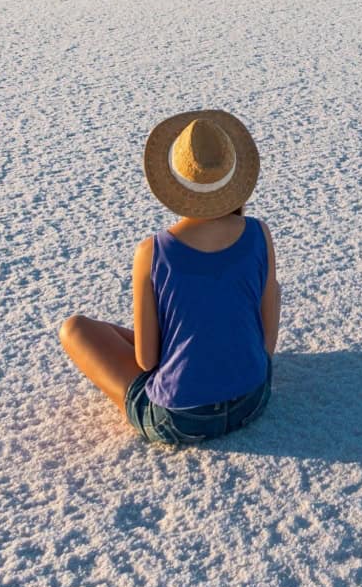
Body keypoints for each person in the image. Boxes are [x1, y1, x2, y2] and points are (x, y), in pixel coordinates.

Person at [58, 109, 279, 446]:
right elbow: (268, 343)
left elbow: (147, 361)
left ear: (175, 182)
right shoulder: (259, 234)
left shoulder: (154, 251)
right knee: (249, 298)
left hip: (180, 419)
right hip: (253, 397)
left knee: (75, 329)